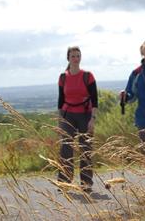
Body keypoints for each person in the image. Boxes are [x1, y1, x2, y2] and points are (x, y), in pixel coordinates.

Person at [57, 46, 98, 193]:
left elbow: (95, 100)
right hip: (68, 116)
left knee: (85, 149)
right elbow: (60, 101)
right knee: (65, 149)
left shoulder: (88, 76)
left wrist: (92, 119)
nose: (76, 58)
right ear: (68, 58)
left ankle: (86, 183)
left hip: (85, 115)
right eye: (73, 56)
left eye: (78, 56)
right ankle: (64, 183)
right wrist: (59, 121)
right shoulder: (63, 77)